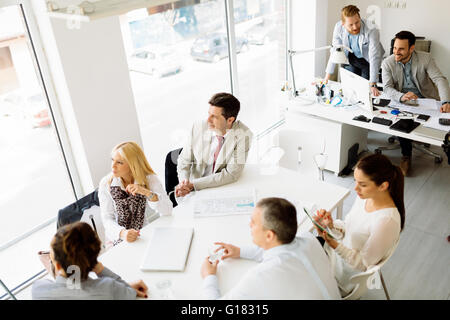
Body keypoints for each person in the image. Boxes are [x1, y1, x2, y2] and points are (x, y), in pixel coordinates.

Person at [200, 197, 341, 300]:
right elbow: (280, 250)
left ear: (269, 235)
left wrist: (209, 277)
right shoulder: (309, 239)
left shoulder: (261, 276)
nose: (249, 225)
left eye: (253, 222)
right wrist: (239, 251)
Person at [313, 154, 404, 296]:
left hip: (343, 277)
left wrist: (334, 244)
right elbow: (349, 230)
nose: (356, 188)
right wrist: (331, 226)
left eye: (362, 184)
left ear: (383, 186)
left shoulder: (386, 222)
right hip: (335, 257)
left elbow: (363, 264)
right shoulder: (366, 197)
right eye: (356, 181)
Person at [382, 30, 450, 175]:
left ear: (412, 48)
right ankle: (406, 156)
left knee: (441, 126)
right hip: (402, 100)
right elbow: (387, 88)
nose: (396, 52)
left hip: (425, 100)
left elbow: (440, 79)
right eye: (394, 48)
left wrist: (446, 101)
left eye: (401, 49)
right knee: (402, 120)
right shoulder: (387, 63)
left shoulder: (426, 59)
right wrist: (401, 96)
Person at [32, 222, 148, 300]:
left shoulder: (38, 290)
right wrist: (101, 270)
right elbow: (129, 293)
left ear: (57, 266)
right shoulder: (108, 288)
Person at [175, 92, 253, 198]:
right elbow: (184, 161)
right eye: (208, 114)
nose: (208, 120)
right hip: (192, 191)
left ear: (230, 120)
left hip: (220, 188)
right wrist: (184, 183)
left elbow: (231, 174)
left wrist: (194, 185)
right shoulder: (198, 127)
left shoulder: (243, 135)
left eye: (214, 117)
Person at [99, 141, 172, 243]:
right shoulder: (106, 184)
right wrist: (123, 233)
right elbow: (107, 219)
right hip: (116, 238)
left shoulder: (150, 179)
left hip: (142, 233)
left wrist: (147, 193)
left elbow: (167, 210)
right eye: (112, 160)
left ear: (132, 164)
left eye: (119, 162)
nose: (113, 166)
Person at [325, 5, 385, 96]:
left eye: (357, 22)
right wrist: (327, 78)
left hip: (368, 61)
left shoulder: (372, 28)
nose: (355, 27)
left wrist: (373, 83)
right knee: (350, 89)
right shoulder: (338, 27)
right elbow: (335, 51)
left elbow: (374, 56)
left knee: (365, 91)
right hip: (352, 58)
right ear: (343, 24)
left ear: (360, 18)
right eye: (350, 25)